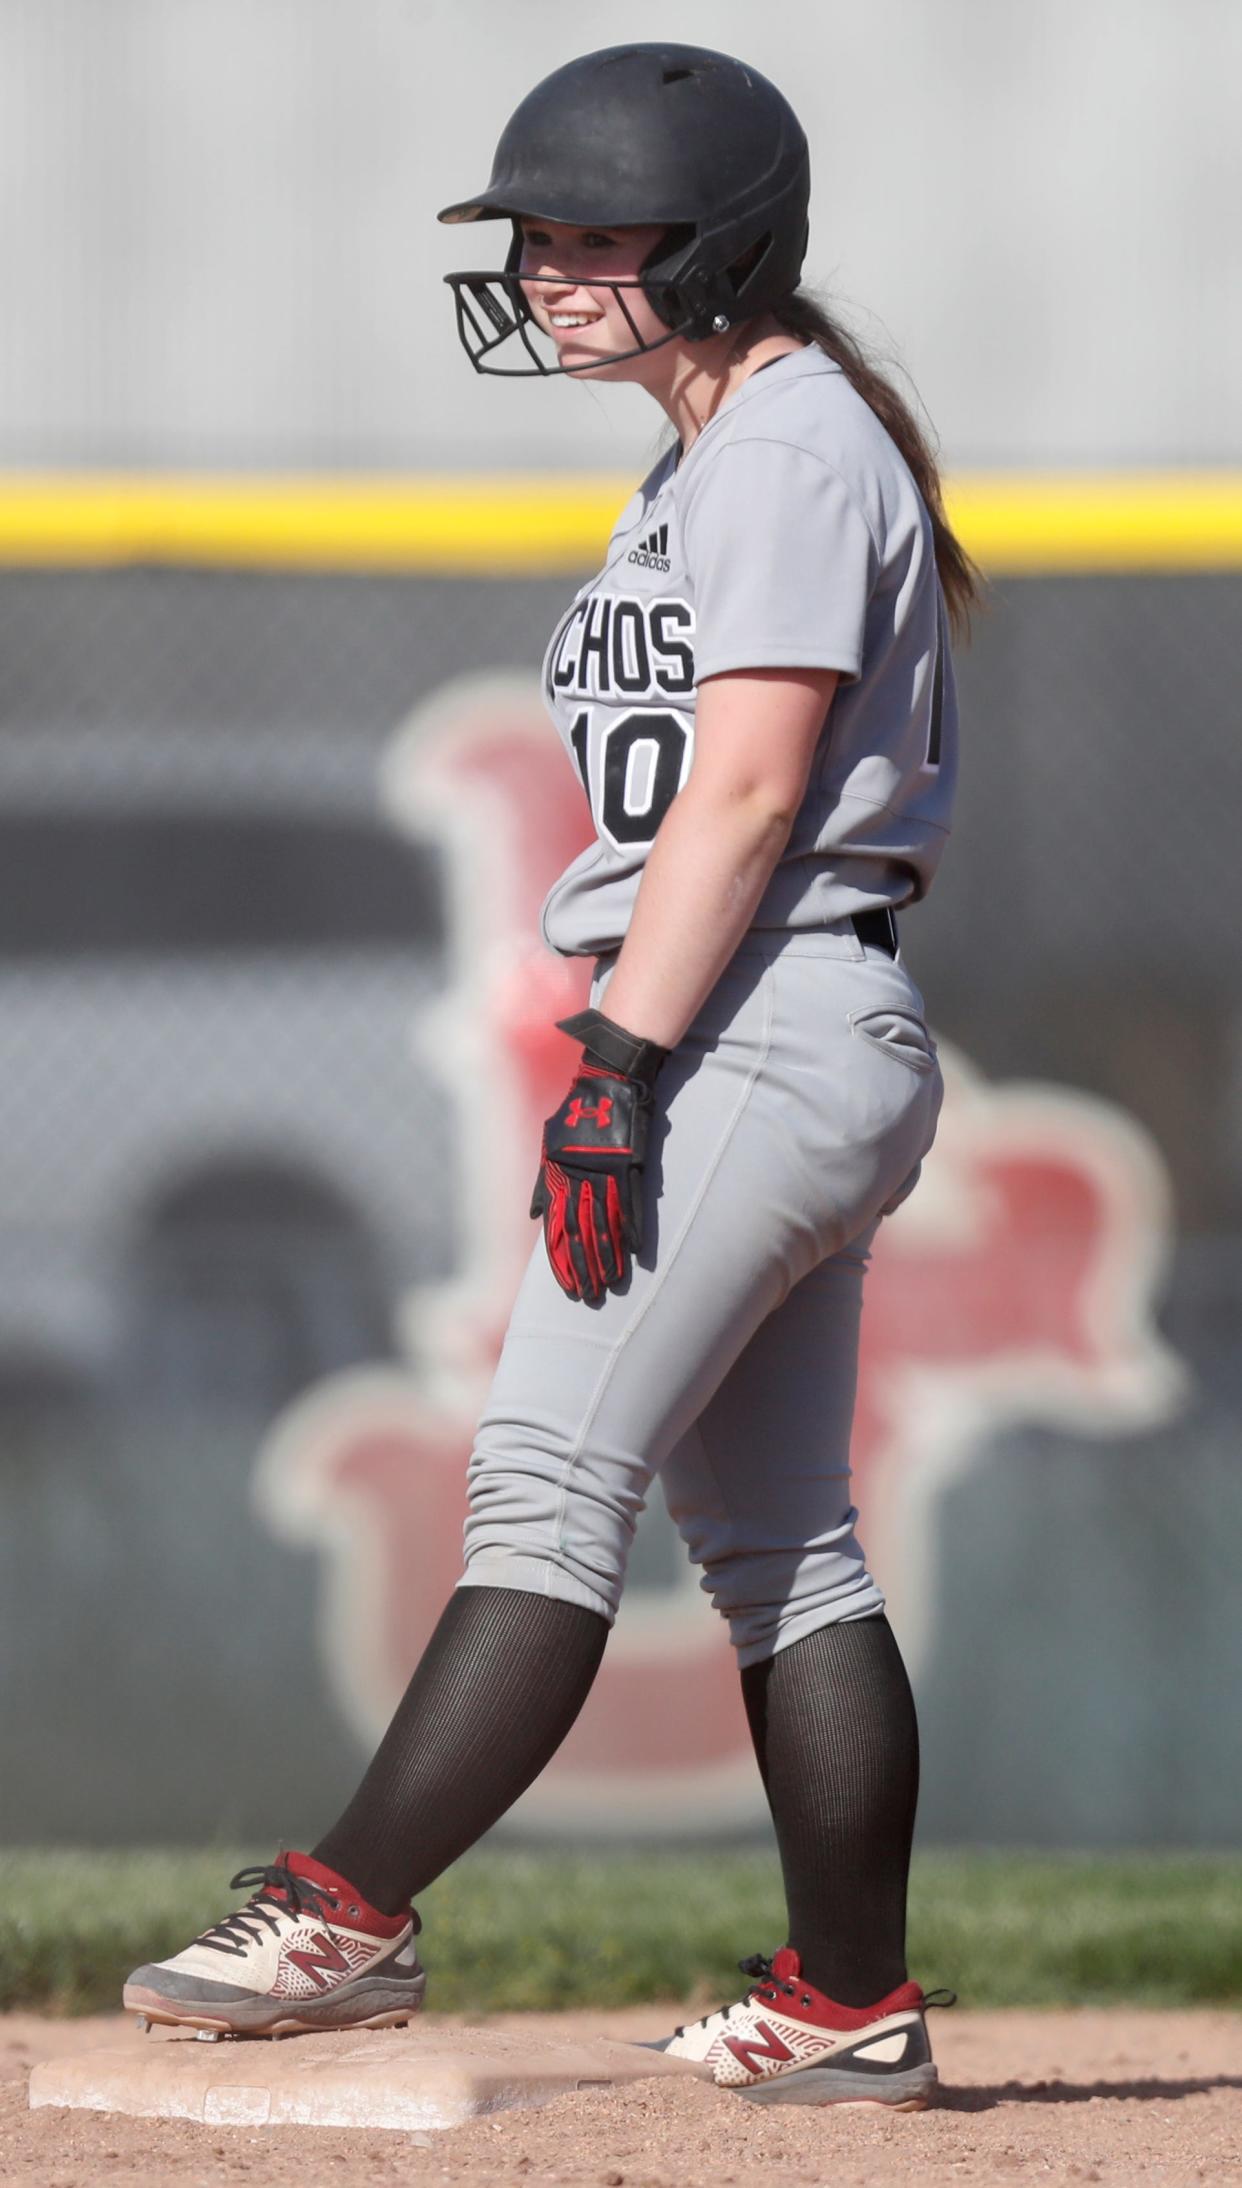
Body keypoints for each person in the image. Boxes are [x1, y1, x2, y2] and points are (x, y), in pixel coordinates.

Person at [124, 43, 979, 2108]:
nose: (553, 271)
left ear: (721, 246)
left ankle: (348, 1903)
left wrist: (620, 1053)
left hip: (750, 1014)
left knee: (542, 1479)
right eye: (542, 235)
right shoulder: (727, 446)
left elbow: (756, 781)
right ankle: (846, 1998)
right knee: (784, 1542)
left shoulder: (779, 447)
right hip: (797, 1015)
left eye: (600, 235)